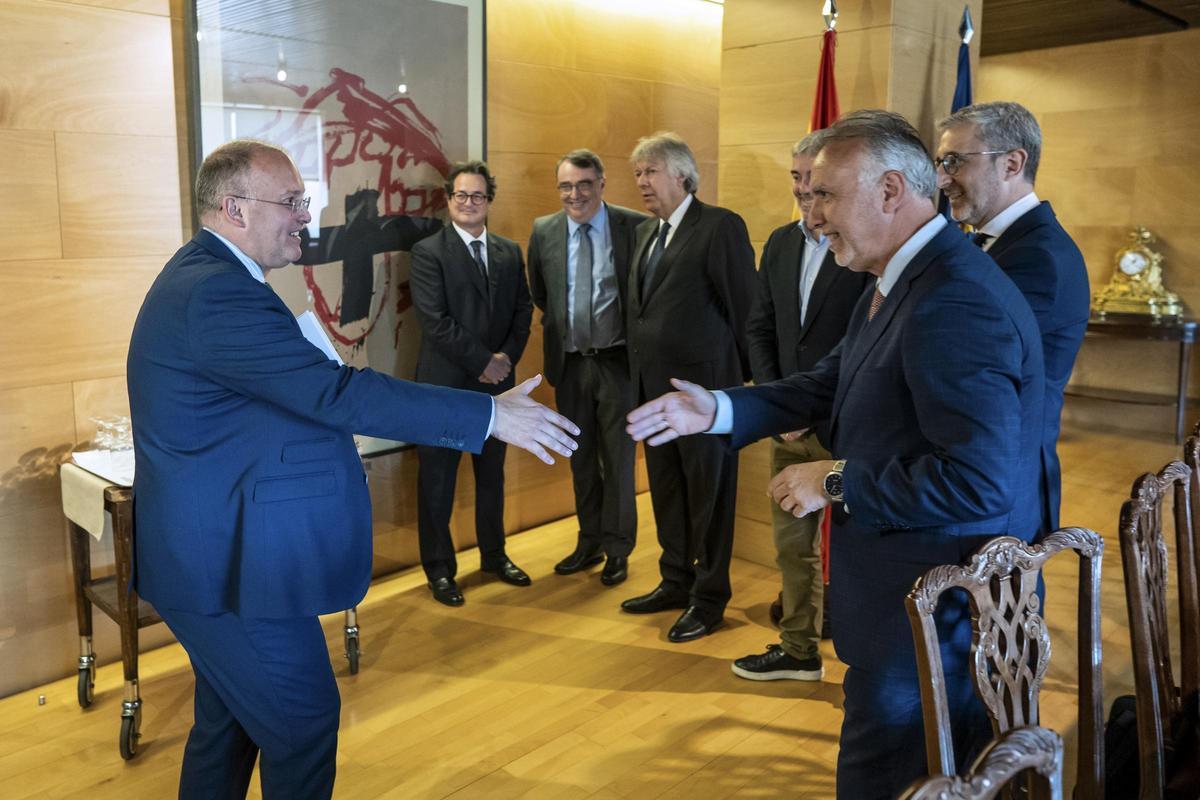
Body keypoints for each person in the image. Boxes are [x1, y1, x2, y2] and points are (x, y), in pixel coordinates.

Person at [127, 139, 577, 800]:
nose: (306, 215)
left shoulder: (211, 277)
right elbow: (333, 392)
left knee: (229, 727)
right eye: (291, 201)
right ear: (235, 209)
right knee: (304, 723)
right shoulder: (216, 293)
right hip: (223, 565)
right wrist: (486, 416)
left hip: (220, 555)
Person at [627, 111, 1045, 798]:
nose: (811, 214)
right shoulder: (901, 276)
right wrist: (723, 408)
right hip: (903, 604)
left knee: (892, 779)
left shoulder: (954, 298)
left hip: (930, 615)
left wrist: (835, 479)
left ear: (890, 190)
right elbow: (830, 380)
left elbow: (978, 480)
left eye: (824, 194)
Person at [733, 133, 870, 682]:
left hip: (848, 430)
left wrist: (807, 409)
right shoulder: (779, 242)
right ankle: (798, 650)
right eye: (795, 176)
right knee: (793, 548)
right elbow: (760, 328)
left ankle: (864, 666)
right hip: (788, 429)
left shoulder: (860, 243)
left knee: (858, 552)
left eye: (812, 177)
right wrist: (778, 405)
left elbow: (864, 344)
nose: (803, 188)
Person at [620, 131, 756, 642]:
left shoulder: (719, 226)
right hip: (654, 396)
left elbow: (746, 309)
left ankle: (709, 598)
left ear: (681, 174)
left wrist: (743, 391)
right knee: (668, 492)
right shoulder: (644, 233)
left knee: (709, 500)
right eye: (637, 173)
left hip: (706, 399)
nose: (642, 182)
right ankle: (675, 580)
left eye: (650, 171)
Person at [935, 100, 1089, 534]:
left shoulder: (1039, 257)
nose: (942, 179)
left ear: (1012, 164)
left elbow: (969, 365)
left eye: (954, 161)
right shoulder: (988, 243)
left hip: (999, 489)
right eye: (940, 162)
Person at [409, 160, 534, 607]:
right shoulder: (428, 252)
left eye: (477, 195)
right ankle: (440, 570)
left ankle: (494, 556)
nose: (468, 202)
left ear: (489, 201)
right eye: (460, 195)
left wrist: (505, 360)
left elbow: (523, 311)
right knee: (437, 483)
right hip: (444, 387)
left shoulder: (508, 251)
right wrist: (484, 362)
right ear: (448, 200)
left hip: (497, 388)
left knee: (491, 477)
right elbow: (435, 321)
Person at [527, 149, 647, 587]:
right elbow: (542, 295)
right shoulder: (544, 230)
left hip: (618, 364)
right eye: (565, 186)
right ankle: (589, 541)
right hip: (571, 364)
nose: (574, 194)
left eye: (584, 184)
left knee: (617, 461)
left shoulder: (635, 227)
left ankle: (618, 549)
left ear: (601, 184)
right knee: (580, 459)